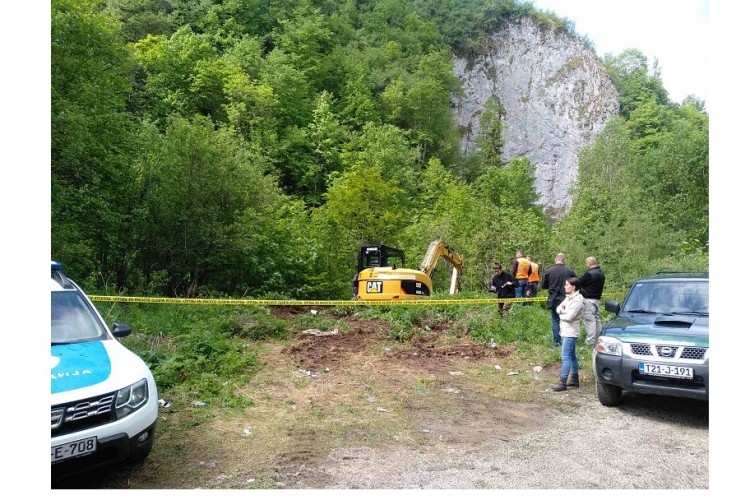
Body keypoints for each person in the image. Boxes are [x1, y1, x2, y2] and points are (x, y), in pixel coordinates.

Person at [551, 277, 585, 391]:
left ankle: (563, 382)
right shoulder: (569, 298)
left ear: (573, 287)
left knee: (565, 356)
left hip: (571, 332)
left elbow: (570, 317)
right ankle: (574, 379)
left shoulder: (578, 300)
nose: (565, 286)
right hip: (566, 330)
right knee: (572, 356)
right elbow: (558, 308)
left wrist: (562, 314)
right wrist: (563, 311)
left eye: (567, 285)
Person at [541, 253, 576, 346]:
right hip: (567, 299)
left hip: (553, 299)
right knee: (567, 320)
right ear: (564, 260)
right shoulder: (570, 272)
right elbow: (576, 284)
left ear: (555, 260)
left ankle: (557, 342)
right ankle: (567, 341)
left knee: (555, 320)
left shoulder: (549, 271)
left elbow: (543, 285)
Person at [579, 256, 605, 345]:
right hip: (597, 300)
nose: (586, 265)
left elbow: (579, 282)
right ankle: (599, 339)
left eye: (586, 263)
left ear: (589, 263)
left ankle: (590, 342)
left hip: (588, 300)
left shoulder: (589, 274)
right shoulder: (601, 273)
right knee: (597, 319)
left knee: (589, 320)